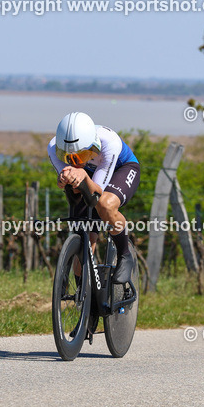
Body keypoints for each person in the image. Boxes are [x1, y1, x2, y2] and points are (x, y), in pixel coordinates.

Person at [48, 111, 140, 283]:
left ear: (93, 145)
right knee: (84, 234)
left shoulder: (108, 142)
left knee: (104, 205)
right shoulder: (53, 148)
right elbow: (71, 185)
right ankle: (85, 297)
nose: (76, 161)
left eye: (82, 155)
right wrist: (65, 178)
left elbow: (96, 193)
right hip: (88, 175)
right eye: (69, 157)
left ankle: (124, 255)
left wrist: (81, 173)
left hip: (121, 168)